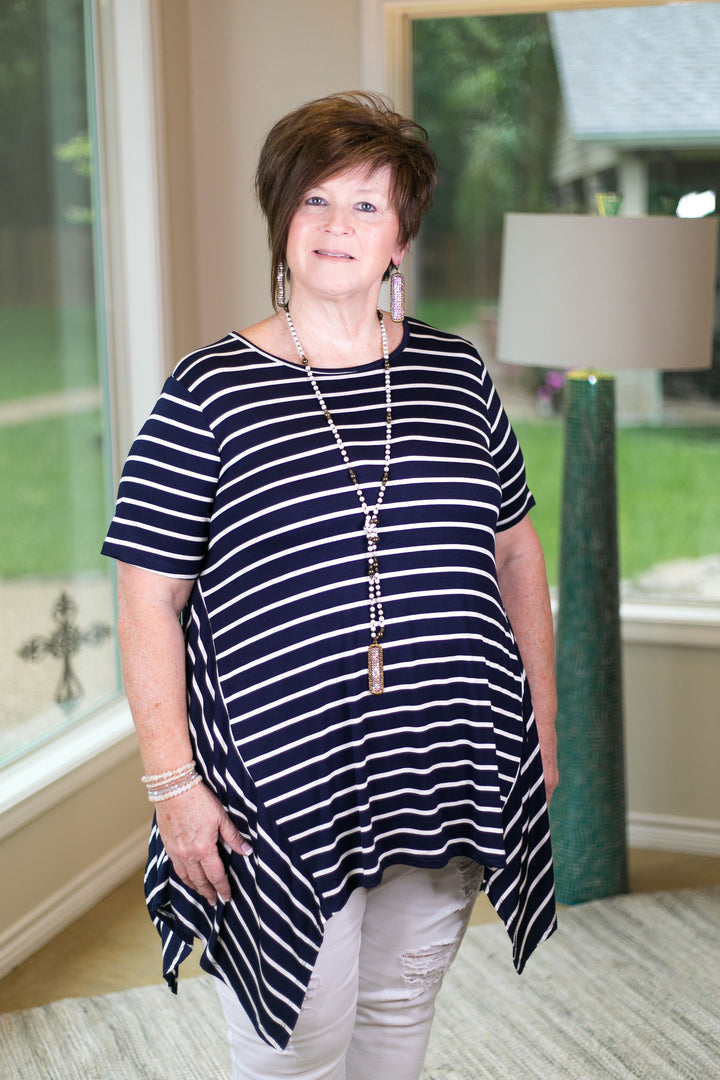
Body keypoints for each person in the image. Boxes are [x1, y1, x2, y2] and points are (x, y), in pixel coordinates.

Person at [102, 91, 559, 1080]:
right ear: (282, 221)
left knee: (398, 1014)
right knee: (297, 1041)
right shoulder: (207, 391)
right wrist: (173, 786)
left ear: (401, 237)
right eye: (314, 199)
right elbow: (147, 599)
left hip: (444, 760)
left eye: (365, 204)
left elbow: (517, 554)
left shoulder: (457, 375)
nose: (336, 225)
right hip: (279, 780)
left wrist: (542, 728)